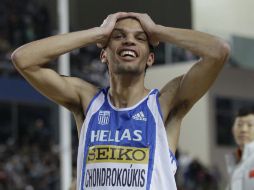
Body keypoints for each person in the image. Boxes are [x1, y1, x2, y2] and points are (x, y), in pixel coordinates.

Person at [11, 12, 230, 190]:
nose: (129, 40)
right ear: (103, 54)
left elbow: (218, 51)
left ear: (150, 58)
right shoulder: (87, 100)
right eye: (118, 36)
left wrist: (157, 31)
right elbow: (23, 59)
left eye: (140, 38)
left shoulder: (164, 104)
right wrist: (98, 33)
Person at [225, 107, 254, 190]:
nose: (244, 130)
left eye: (250, 125)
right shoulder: (234, 165)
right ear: (233, 129)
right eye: (239, 125)